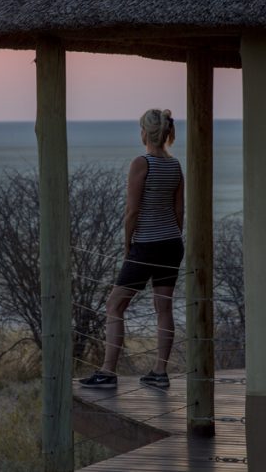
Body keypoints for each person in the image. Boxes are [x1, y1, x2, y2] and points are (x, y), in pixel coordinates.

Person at [79, 109, 184, 390]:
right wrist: (172, 238)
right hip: (172, 244)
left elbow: (132, 211)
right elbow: (179, 210)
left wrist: (128, 244)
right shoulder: (175, 165)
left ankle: (107, 372)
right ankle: (159, 373)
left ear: (144, 133)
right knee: (164, 308)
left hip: (146, 244)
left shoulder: (142, 162)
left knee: (114, 305)